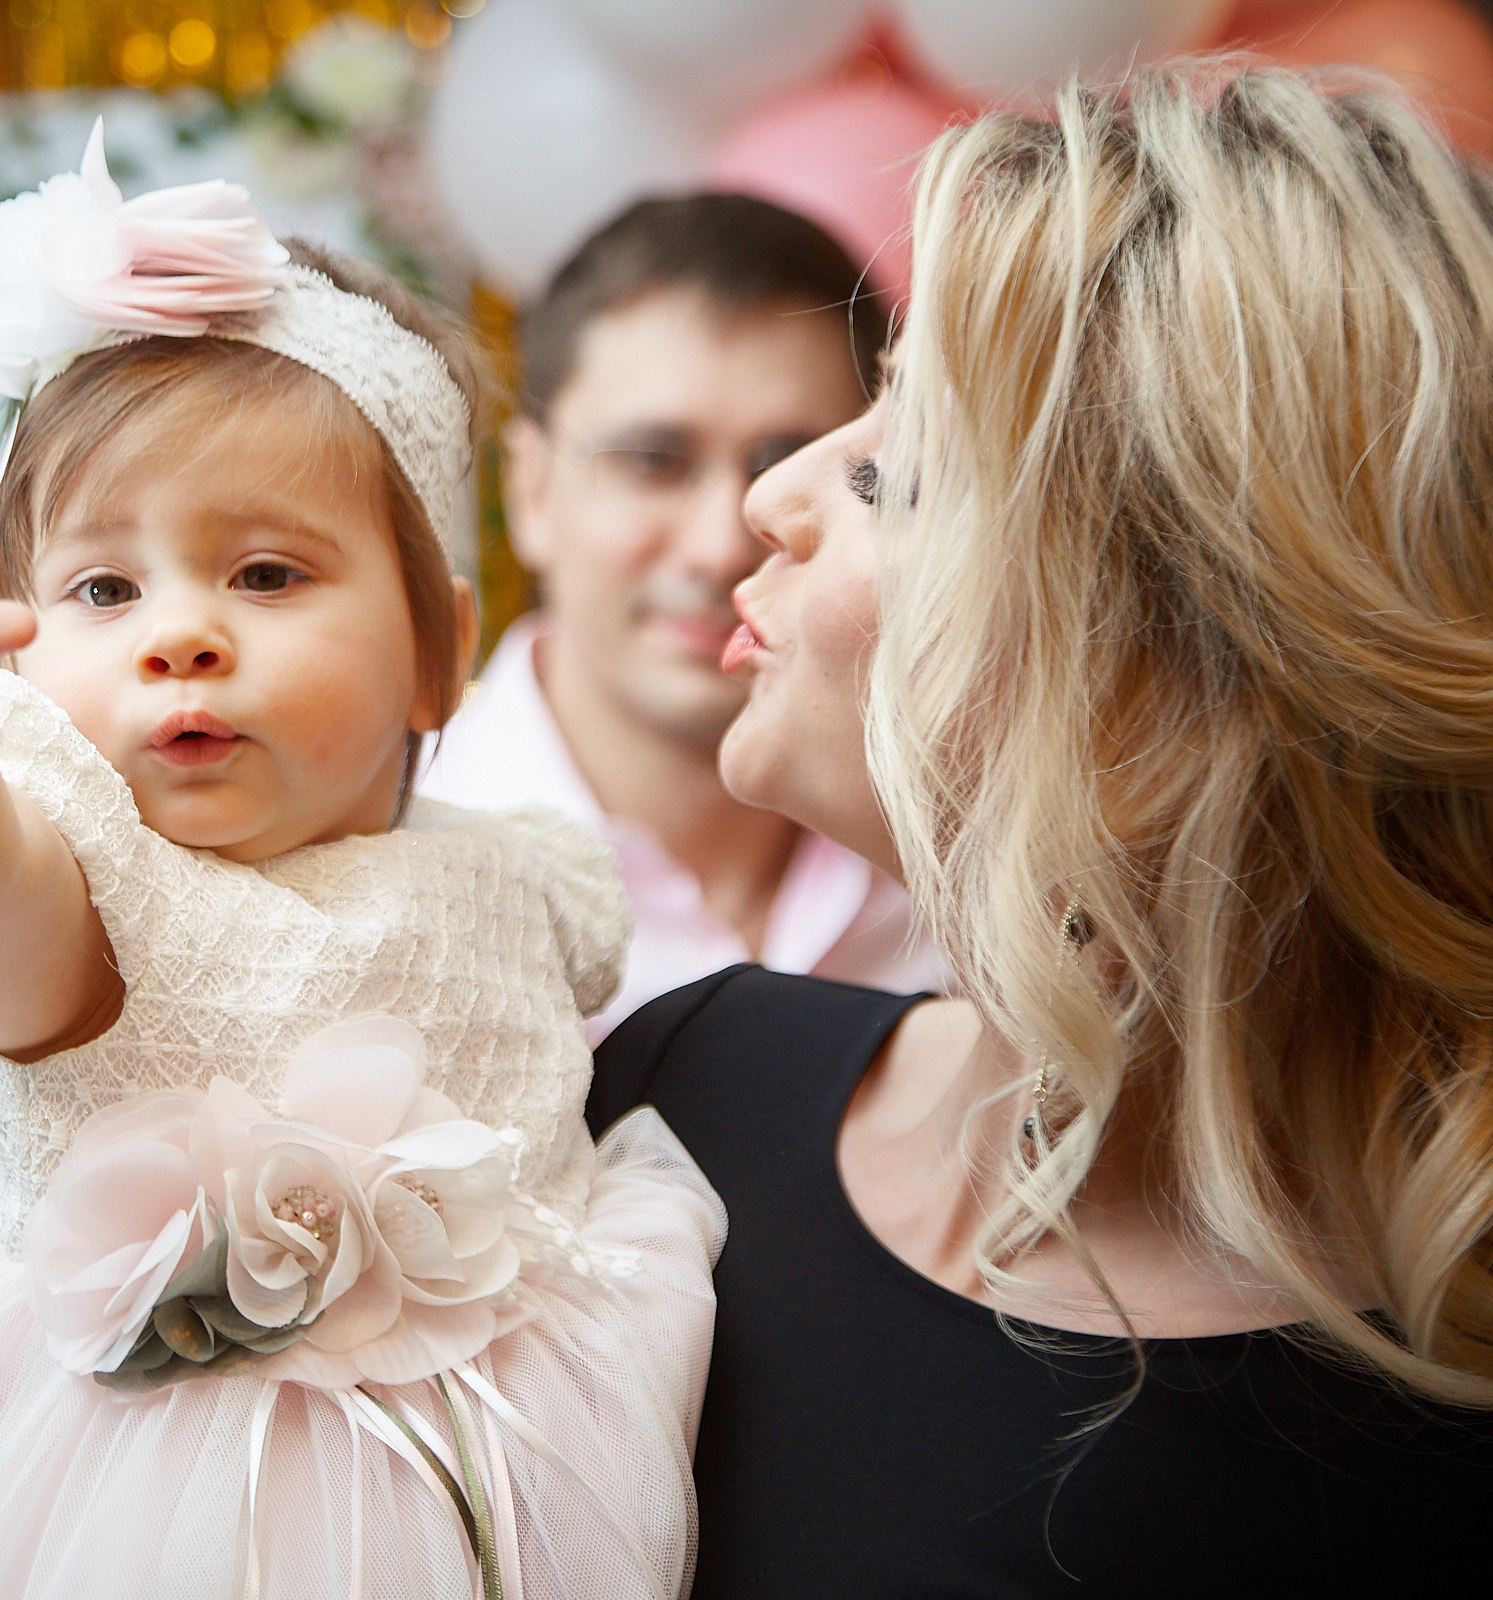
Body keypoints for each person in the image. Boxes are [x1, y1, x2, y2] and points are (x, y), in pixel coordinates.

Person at [0, 134, 721, 1600]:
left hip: (516, 1477)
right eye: (104, 588)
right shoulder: (80, 888)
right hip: (136, 1513)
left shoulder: (525, 872)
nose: (179, 633)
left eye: (267, 573)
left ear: (437, 650)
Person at [590, 65, 1493, 1597]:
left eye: (896, 470)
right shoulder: (681, 1100)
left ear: (1171, 661)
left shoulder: (1431, 1417)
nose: (776, 498)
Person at [421, 194, 943, 1038]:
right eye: (653, 462)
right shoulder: (380, 862)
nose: (719, 544)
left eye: (786, 460)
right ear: (530, 488)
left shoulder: (978, 880)